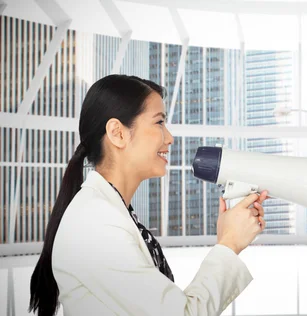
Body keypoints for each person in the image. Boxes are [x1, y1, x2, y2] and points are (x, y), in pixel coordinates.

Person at [29, 74, 268, 316]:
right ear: (118, 133)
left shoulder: (106, 213)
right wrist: (229, 244)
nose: (170, 137)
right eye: (159, 123)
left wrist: (228, 242)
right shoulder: (95, 223)